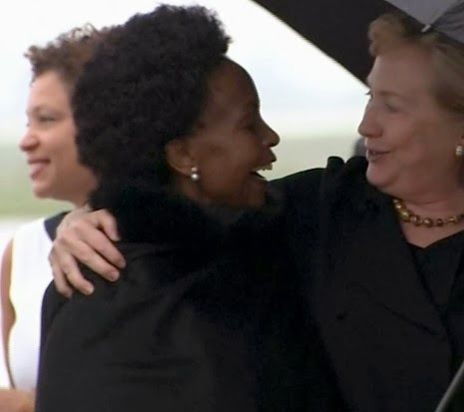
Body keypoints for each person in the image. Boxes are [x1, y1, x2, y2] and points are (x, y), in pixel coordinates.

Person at [48, 10, 464, 411]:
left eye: (392, 107)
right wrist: (86, 221)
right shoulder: (314, 207)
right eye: (369, 99)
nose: (366, 127)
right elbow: (182, 215)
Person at [35, 6, 340, 412]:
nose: (271, 137)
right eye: (249, 124)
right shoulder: (114, 291)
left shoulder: (269, 229)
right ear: (181, 155)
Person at [0, 25, 105, 412]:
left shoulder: (153, 242)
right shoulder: (22, 251)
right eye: (28, 122)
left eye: (45, 119)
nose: (26, 140)